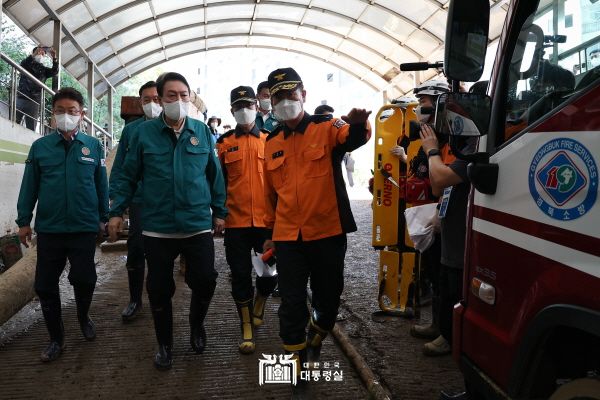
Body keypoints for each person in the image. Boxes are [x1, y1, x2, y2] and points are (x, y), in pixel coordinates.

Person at [107, 72, 227, 371]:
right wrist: (115, 211)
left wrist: (220, 211)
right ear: (159, 100)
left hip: (196, 223)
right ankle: (165, 344)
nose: (179, 100)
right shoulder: (143, 134)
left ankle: (196, 325)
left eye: (184, 95)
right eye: (171, 95)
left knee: (205, 281)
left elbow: (215, 176)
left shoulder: (201, 131)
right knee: (159, 289)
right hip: (157, 226)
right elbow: (126, 175)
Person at [262, 67, 371, 385]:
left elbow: (351, 138)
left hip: (326, 232)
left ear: (303, 95)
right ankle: (296, 369)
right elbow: (271, 194)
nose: (285, 101)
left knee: (328, 299)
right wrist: (269, 235)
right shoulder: (271, 143)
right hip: (288, 237)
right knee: (291, 303)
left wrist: (356, 124)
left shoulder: (326, 126)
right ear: (271, 102)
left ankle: (316, 335)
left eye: (290, 94)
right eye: (278, 96)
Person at [16, 87, 108, 362]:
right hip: (51, 229)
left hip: (83, 227)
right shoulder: (40, 147)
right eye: (59, 111)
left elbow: (101, 186)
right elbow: (29, 186)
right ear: (52, 114)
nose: (65, 116)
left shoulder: (93, 146)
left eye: (72, 111)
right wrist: (23, 221)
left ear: (82, 115)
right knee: (44, 285)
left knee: (85, 279)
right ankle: (56, 338)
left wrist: (104, 217)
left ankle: (83, 317)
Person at [216, 86, 277, 355]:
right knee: (240, 275)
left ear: (257, 106)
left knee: (268, 273)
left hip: (268, 223)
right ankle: (246, 326)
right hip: (236, 223)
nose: (244, 110)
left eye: (248, 104)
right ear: (232, 111)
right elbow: (217, 183)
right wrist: (217, 212)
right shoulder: (224, 143)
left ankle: (261, 302)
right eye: (238, 106)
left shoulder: (271, 139)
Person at [419, 101, 473, 360]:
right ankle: (443, 331)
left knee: (455, 291)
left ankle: (452, 339)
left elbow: (439, 179)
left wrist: (431, 151)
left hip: (463, 240)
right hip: (450, 234)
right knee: (444, 284)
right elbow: (440, 188)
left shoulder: (474, 152)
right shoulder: (456, 154)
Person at [109, 80, 162, 322]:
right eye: (146, 100)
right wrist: (116, 207)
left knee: (163, 252)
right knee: (137, 248)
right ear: (140, 103)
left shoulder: (174, 127)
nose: (152, 104)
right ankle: (134, 300)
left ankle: (160, 300)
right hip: (140, 199)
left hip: (166, 200)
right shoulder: (131, 130)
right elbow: (120, 167)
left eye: (156, 99)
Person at [15, 46, 59, 131]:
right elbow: (23, 63)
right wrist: (34, 54)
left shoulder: (44, 70)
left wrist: (54, 58)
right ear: (34, 53)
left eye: (43, 54)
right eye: (39, 52)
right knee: (13, 122)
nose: (41, 55)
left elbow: (54, 71)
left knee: (31, 128)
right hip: (21, 97)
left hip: (34, 101)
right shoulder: (27, 64)